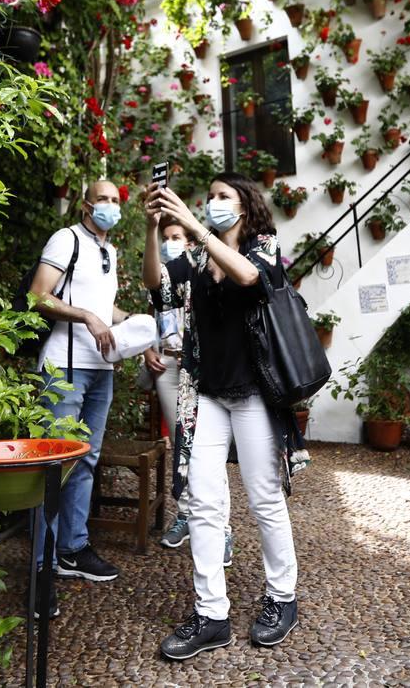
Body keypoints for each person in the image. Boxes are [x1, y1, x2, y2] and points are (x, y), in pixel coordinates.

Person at [143, 172, 305, 660]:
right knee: (203, 503)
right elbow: (158, 287)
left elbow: (250, 278)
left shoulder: (263, 247)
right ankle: (211, 613)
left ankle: (282, 598)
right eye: (208, 196)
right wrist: (154, 230)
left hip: (254, 393)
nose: (212, 202)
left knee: (264, 500)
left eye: (222, 196)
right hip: (207, 394)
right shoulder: (193, 258)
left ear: (244, 204)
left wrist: (196, 226)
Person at [28, 179, 149, 587]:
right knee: (54, 463)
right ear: (85, 205)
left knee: (85, 461)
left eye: (116, 201)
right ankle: (42, 567)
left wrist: (139, 335)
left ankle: (72, 549)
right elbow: (38, 297)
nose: (110, 206)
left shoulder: (108, 250)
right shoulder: (67, 240)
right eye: (103, 199)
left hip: (101, 370)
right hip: (63, 370)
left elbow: (104, 307)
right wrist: (86, 317)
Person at [150, 215, 234, 568]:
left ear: (190, 240)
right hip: (167, 369)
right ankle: (185, 514)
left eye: (177, 236)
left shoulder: (199, 267)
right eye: (166, 236)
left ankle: (222, 529)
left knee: (205, 449)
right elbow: (153, 311)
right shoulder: (161, 272)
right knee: (183, 444)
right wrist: (146, 349)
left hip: (198, 367)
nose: (172, 242)